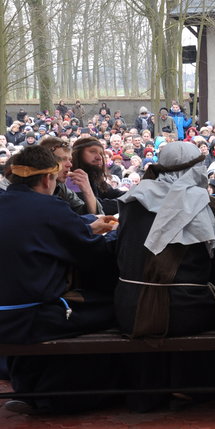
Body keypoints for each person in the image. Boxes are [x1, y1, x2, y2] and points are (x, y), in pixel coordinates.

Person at [113, 141, 215, 411]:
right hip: (184, 309)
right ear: (193, 170)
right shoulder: (207, 205)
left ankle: (147, 392)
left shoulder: (132, 200)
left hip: (130, 306)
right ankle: (193, 386)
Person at [0, 146, 118, 413]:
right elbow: (93, 254)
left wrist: (86, 227)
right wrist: (112, 235)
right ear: (46, 179)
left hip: (11, 312)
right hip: (26, 319)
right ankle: (63, 397)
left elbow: (34, 236)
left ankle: (32, 388)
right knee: (113, 308)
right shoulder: (50, 207)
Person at [39, 137, 101, 215]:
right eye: (63, 159)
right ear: (46, 161)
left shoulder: (61, 187)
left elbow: (89, 215)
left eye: (70, 160)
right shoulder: (33, 188)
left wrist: (87, 190)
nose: (70, 164)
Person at [72, 136, 124, 215]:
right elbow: (98, 207)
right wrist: (129, 201)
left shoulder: (95, 179)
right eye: (93, 151)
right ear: (78, 154)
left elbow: (115, 193)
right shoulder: (72, 179)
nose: (99, 157)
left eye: (101, 154)